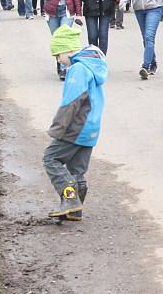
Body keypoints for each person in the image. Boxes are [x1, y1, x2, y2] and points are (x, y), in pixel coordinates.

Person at [43, 25, 108, 221]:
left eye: (58, 56)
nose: (59, 61)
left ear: (66, 50)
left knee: (51, 158)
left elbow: (72, 101)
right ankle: (76, 210)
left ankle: (69, 199)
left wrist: (58, 127)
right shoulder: (92, 66)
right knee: (77, 169)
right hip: (91, 128)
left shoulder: (78, 69)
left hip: (75, 127)